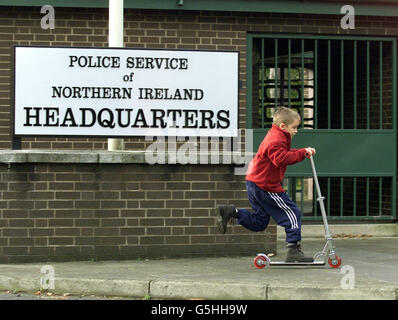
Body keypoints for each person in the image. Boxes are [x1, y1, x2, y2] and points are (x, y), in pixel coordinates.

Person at [216, 107, 316, 262]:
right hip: (266, 185)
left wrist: (303, 151)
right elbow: (280, 158)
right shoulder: (276, 139)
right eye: (294, 127)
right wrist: (303, 153)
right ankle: (293, 250)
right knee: (293, 213)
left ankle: (232, 211)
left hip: (255, 182)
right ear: (283, 126)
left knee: (259, 222)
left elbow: (283, 154)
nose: (296, 131)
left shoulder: (277, 135)